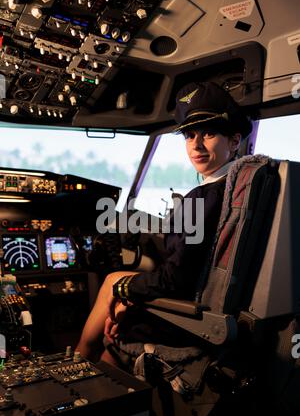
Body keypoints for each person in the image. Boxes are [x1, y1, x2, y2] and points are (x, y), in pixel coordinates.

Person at [75, 81, 252, 364]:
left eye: (208, 133)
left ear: (234, 141)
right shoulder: (238, 192)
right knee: (119, 294)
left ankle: (80, 363)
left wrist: (123, 296)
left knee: (112, 283)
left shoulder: (201, 199)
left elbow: (174, 280)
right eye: (189, 135)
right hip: (220, 309)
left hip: (191, 314)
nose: (196, 144)